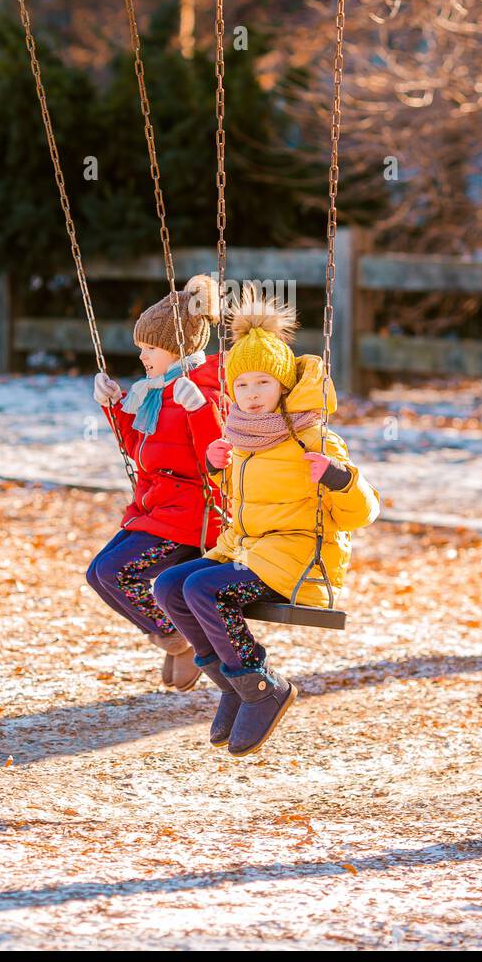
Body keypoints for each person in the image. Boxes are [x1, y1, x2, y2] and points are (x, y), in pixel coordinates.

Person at [154, 288, 380, 755]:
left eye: (263, 384)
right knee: (171, 585)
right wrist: (219, 467)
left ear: (282, 386)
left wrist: (339, 479)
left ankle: (260, 687)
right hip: (250, 553)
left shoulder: (310, 437)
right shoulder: (240, 439)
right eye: (242, 386)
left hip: (296, 559)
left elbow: (362, 513)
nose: (252, 396)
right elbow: (245, 510)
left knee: (202, 589)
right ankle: (235, 686)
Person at [86, 275, 223, 691]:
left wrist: (199, 410)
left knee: (114, 573)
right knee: (98, 574)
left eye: (150, 347)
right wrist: (113, 408)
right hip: (156, 508)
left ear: (177, 347)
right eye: (141, 346)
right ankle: (177, 637)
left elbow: (216, 458)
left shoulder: (202, 390)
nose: (142, 355)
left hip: (190, 518)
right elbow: (140, 452)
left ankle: (181, 638)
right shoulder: (152, 392)